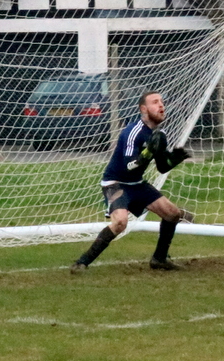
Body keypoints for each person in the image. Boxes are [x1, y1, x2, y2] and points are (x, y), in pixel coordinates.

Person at [70, 91, 193, 273]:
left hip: (136, 184)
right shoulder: (132, 133)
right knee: (120, 222)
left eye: (162, 102)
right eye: (155, 102)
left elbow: (161, 168)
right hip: (115, 183)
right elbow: (129, 166)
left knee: (172, 214)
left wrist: (173, 160)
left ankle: (159, 259)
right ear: (143, 109)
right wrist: (147, 153)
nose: (161, 106)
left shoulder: (159, 135)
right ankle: (82, 262)